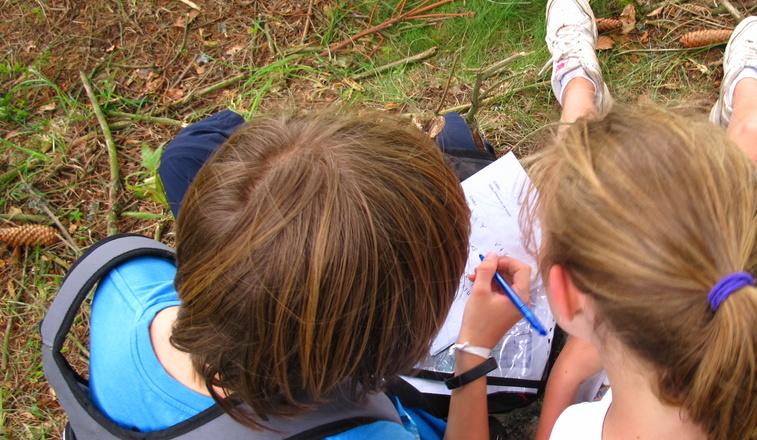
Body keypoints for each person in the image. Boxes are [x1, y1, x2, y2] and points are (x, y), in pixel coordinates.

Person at [531, 1, 757, 439]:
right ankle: (746, 85)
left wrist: (564, 373)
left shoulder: (575, 431)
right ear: (751, 236)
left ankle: (577, 82)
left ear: (566, 297)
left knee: (575, 156)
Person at [88, 108, 529, 439]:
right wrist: (472, 353)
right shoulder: (373, 434)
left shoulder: (124, 280)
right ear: (380, 351)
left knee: (185, 153)